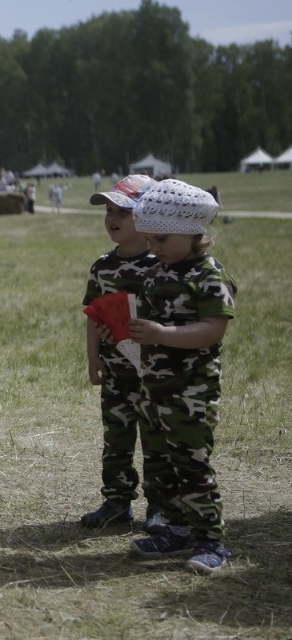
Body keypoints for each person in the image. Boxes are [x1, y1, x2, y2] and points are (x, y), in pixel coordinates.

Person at [127, 179, 237, 574]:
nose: (154, 248)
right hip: (154, 388)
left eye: (160, 239)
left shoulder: (207, 275)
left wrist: (161, 334)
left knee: (192, 464)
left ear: (192, 231)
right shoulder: (158, 271)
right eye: (150, 241)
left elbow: (213, 328)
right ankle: (175, 529)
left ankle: (211, 540)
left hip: (192, 391)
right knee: (160, 462)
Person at [81, 174, 166, 533]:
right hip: (116, 372)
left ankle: (160, 507)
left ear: (147, 216)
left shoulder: (161, 264)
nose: (112, 218)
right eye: (109, 211)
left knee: (155, 440)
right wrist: (93, 357)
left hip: (155, 373)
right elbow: (93, 313)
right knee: (116, 439)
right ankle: (117, 502)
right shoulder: (103, 266)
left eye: (123, 211)